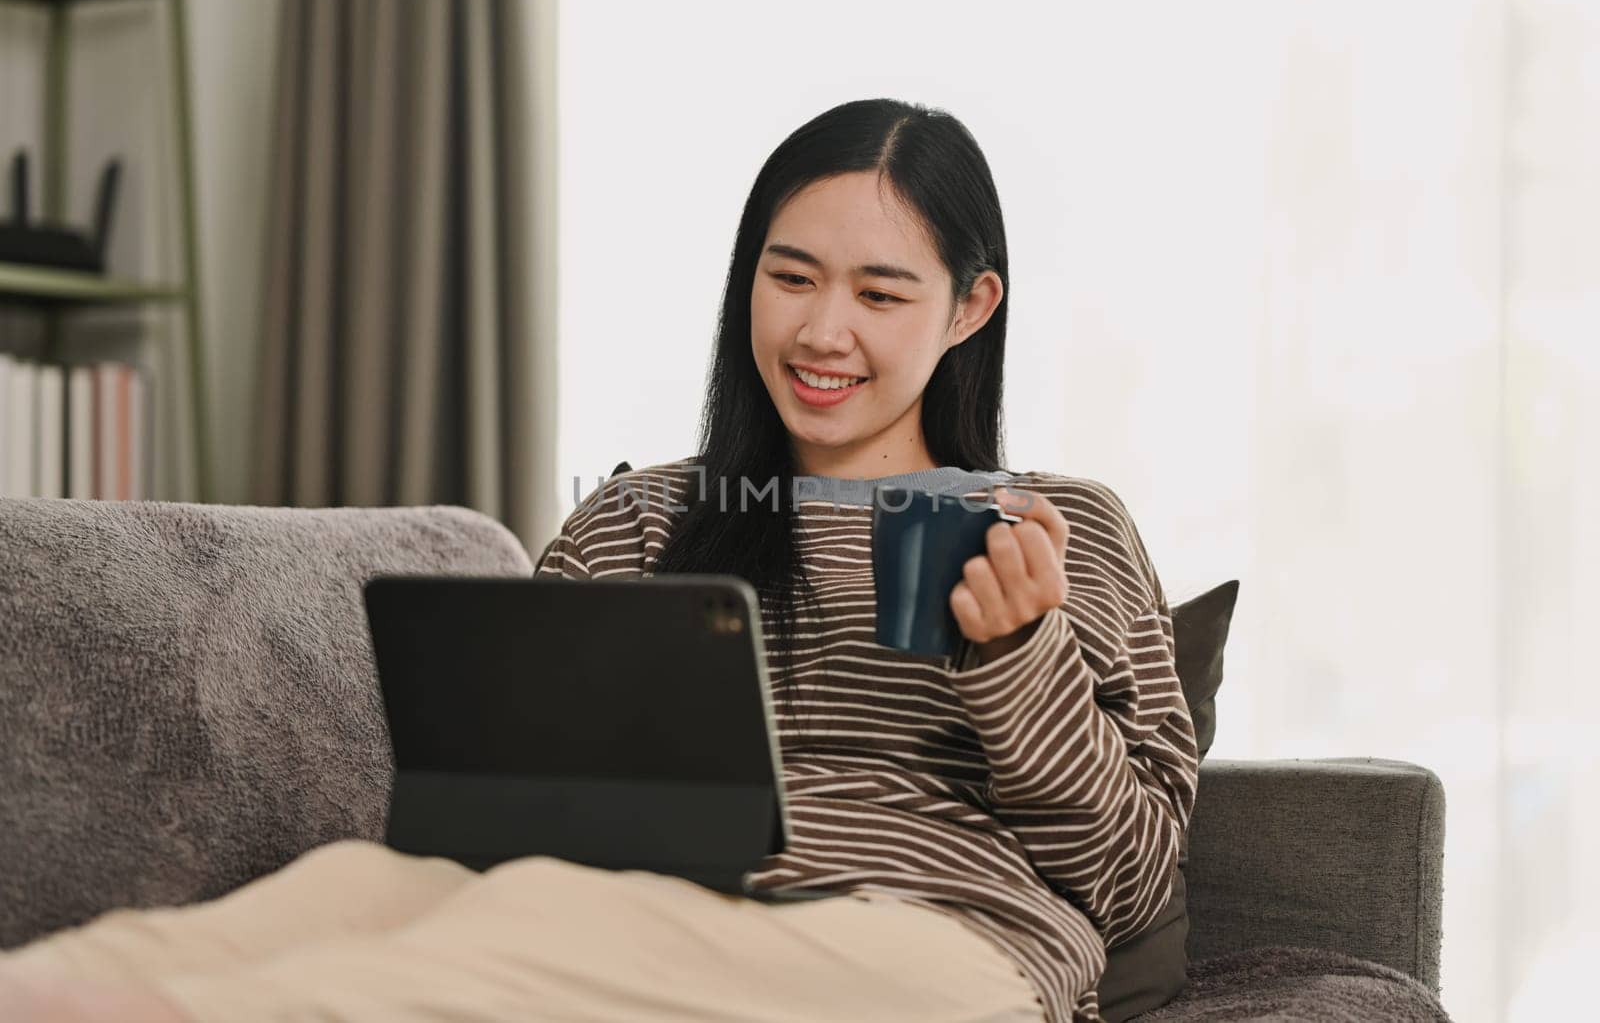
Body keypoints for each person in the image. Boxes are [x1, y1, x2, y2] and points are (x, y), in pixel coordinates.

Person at [0, 98, 1197, 1023]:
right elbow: (509, 787)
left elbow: (1132, 877)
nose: (822, 330)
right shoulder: (637, 519)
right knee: (339, 890)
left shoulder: (1060, 527)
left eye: (881, 292)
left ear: (969, 307)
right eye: (789, 278)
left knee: (499, 951)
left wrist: (1015, 654)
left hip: (926, 931)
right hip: (614, 889)